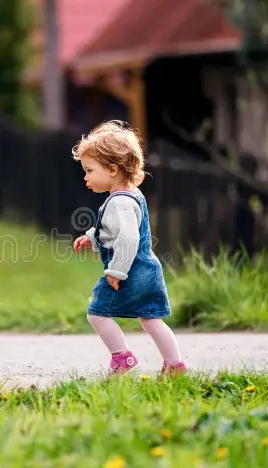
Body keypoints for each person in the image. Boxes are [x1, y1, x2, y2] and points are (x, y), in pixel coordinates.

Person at [72, 120, 188, 376]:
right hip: (148, 270)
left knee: (97, 312)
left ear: (112, 169)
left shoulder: (120, 202)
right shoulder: (131, 194)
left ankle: (122, 358)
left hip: (129, 273)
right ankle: (174, 364)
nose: (85, 176)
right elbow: (112, 230)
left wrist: (117, 271)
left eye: (90, 170)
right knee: (151, 320)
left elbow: (127, 238)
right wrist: (92, 237)